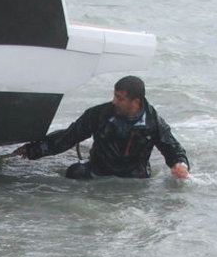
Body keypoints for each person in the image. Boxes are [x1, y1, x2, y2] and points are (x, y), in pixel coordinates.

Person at [15, 76, 190, 179]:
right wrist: (34, 149)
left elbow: (172, 148)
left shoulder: (154, 122)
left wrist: (180, 165)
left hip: (135, 176)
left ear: (135, 102)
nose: (114, 101)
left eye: (120, 98)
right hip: (100, 169)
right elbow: (68, 137)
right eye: (114, 96)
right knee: (75, 172)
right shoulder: (99, 114)